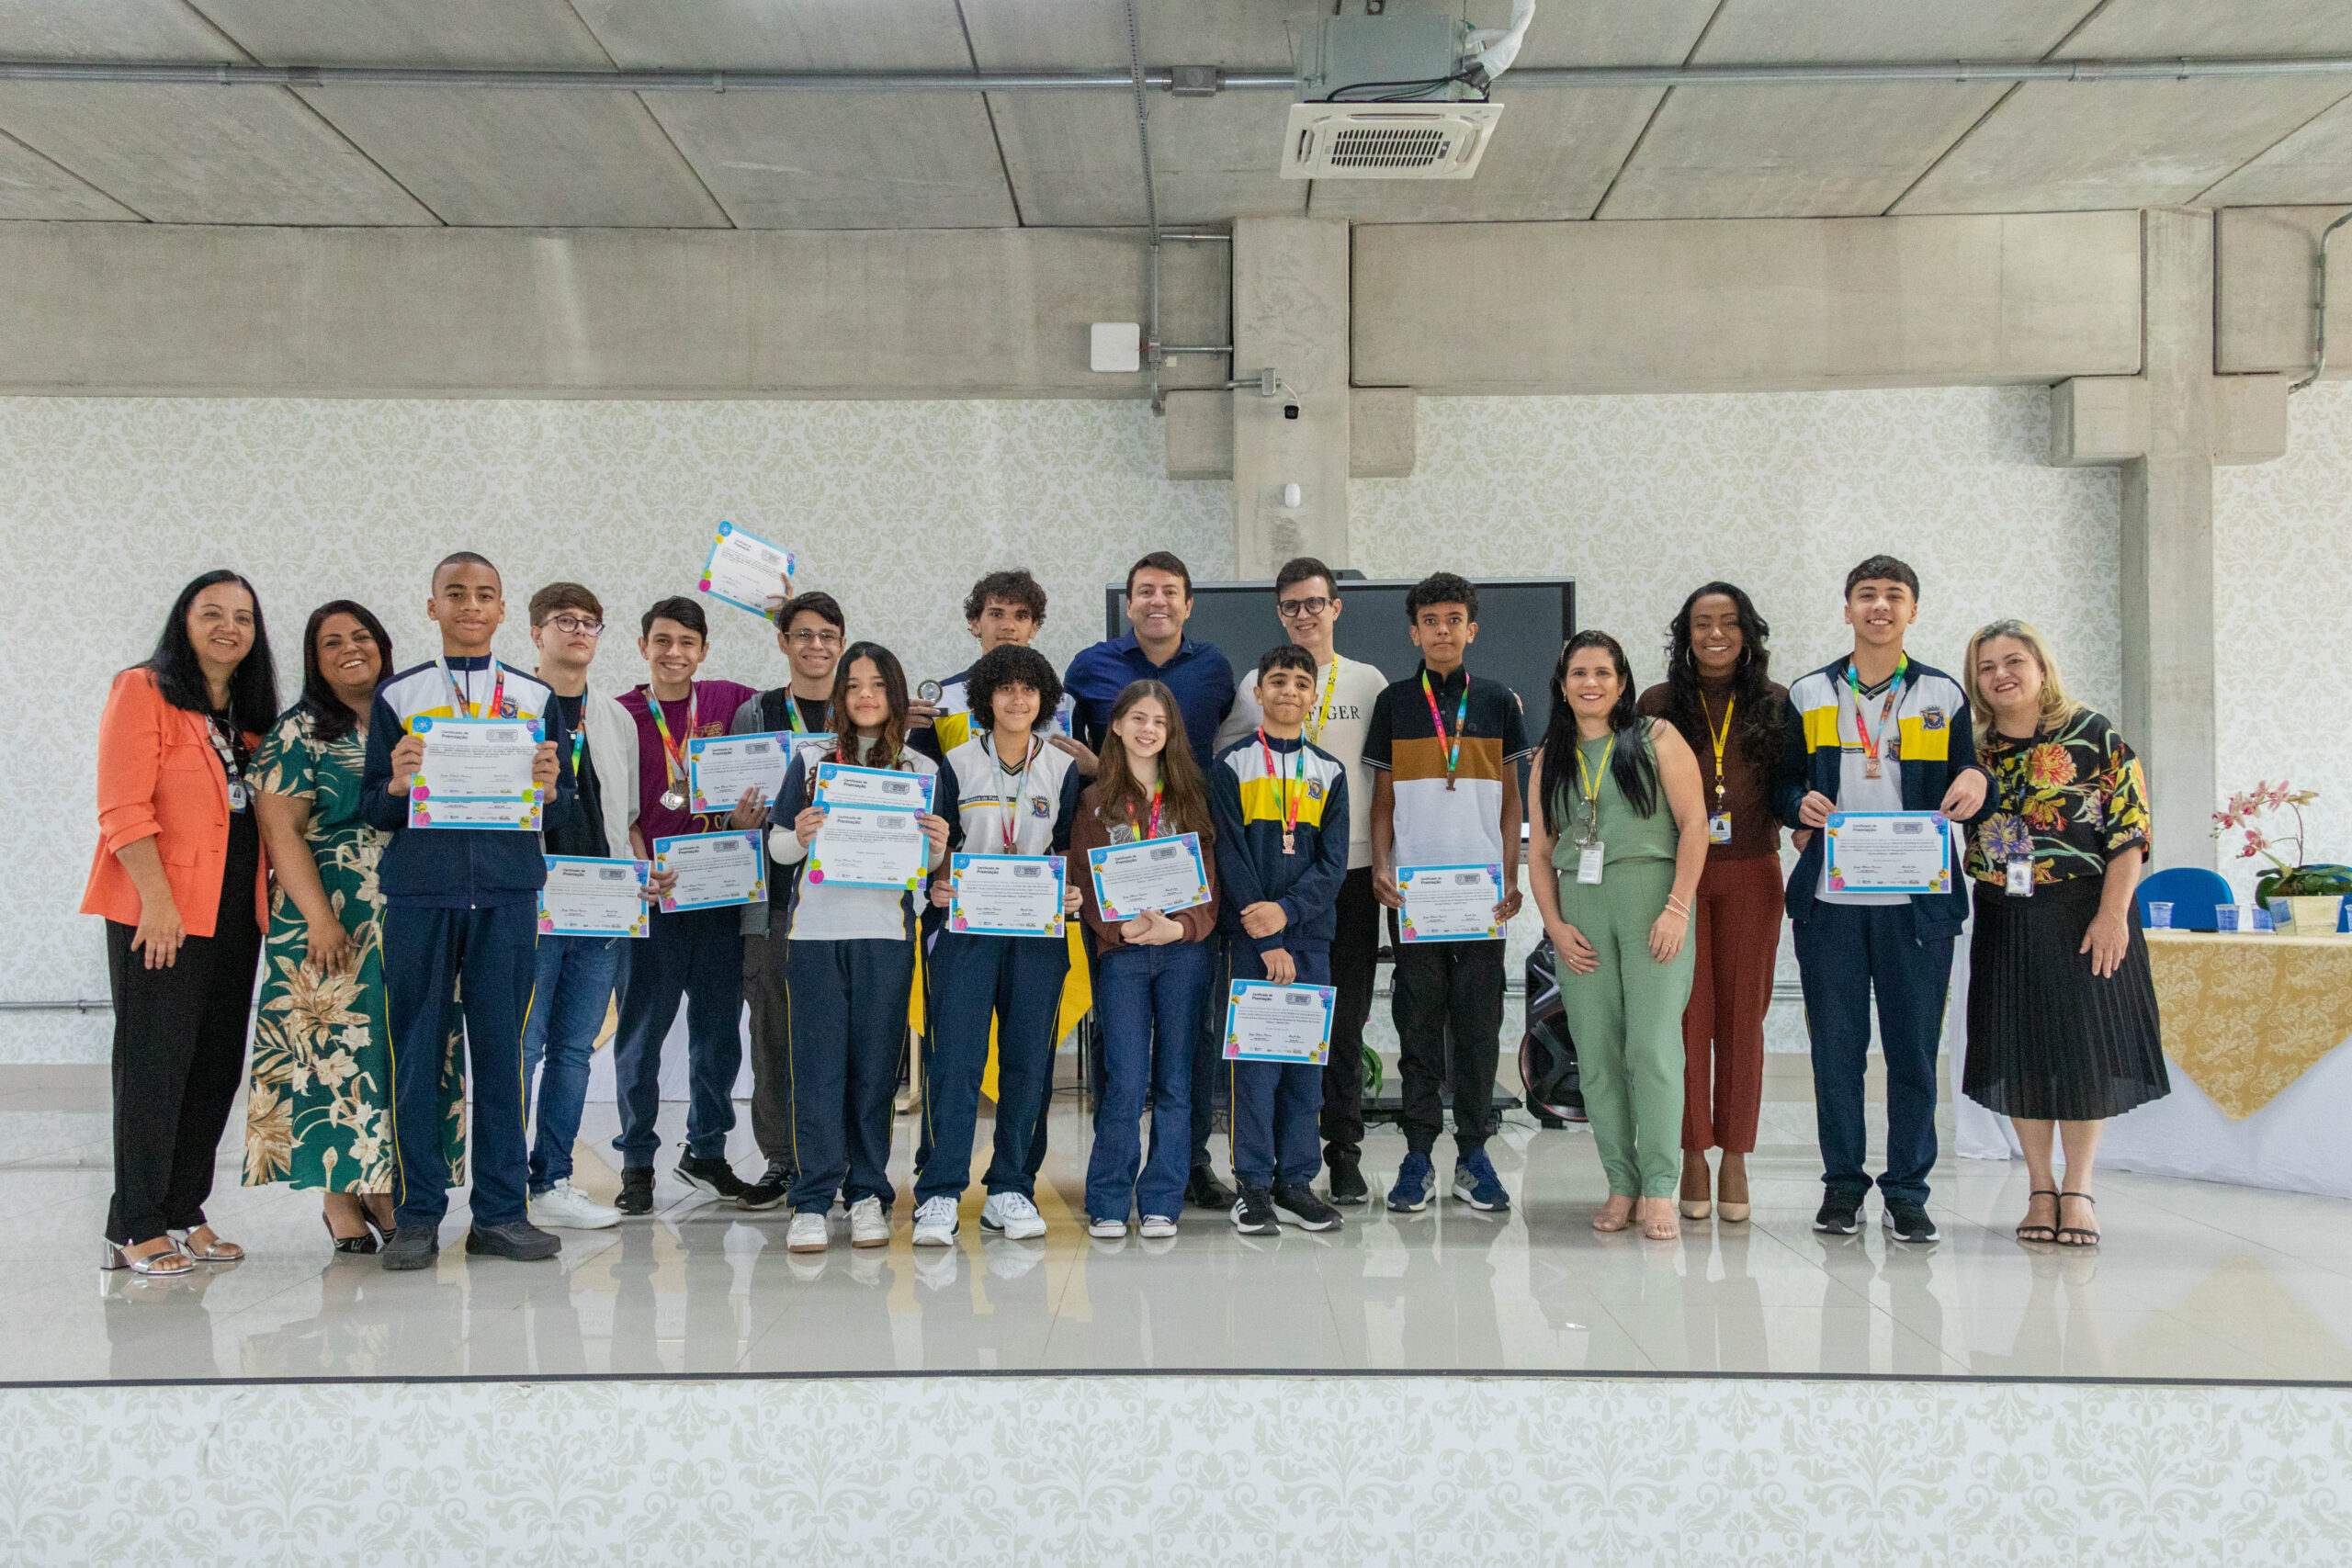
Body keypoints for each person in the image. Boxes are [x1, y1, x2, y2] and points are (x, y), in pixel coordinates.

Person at [361, 551, 568, 1270]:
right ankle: (419, 1216)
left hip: (508, 891)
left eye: (485, 595)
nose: (471, 606)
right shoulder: (401, 694)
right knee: (416, 1052)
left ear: (504, 610)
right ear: (433, 606)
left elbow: (561, 801)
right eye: (456, 594)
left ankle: (502, 1213)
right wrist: (395, 781)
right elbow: (371, 805)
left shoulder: (536, 697)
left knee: (503, 1055)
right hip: (421, 892)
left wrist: (548, 786)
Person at [1773, 555, 1988, 1245]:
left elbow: (1970, 774)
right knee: (1836, 1050)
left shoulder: (1943, 694)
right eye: (1866, 595)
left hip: (1918, 907)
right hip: (1831, 903)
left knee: (1912, 1053)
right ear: (1847, 609)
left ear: (1912, 611)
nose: (1879, 606)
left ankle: (1907, 1190)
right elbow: (1779, 785)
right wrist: (1793, 804)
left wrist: (1977, 781)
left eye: (1894, 596)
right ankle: (1842, 1188)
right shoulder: (1808, 693)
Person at [86, 570, 277, 1275]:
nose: (230, 626)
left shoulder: (247, 716)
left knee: (213, 1068)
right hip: (160, 913)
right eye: (212, 613)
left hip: (234, 918)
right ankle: (132, 1223)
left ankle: (182, 1209)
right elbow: (122, 807)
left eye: (244, 617)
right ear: (183, 620)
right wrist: (158, 904)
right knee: (154, 1067)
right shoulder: (143, 689)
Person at [1960, 619, 2164, 1250]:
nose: (2002, 674)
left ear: (2042, 668)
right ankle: (2039, 1186)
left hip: (2085, 910)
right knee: (2020, 1049)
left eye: (2014, 660)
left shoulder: (2093, 734)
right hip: (2006, 909)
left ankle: (2078, 1187)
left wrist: (2112, 913)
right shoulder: (1973, 749)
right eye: (1988, 666)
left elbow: (2131, 831)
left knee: (2083, 1052)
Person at [243, 600, 427, 1254]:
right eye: (331, 642)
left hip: (406, 913)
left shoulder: (410, 718)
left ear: (383, 644)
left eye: (362, 636)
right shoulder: (300, 732)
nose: (351, 649)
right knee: (331, 1058)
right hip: (327, 917)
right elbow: (280, 829)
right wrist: (321, 918)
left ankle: (379, 1186)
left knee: (385, 1055)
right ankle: (337, 1198)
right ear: (314, 660)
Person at [1065, 551, 1238, 1206]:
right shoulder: (1090, 666)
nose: (1157, 600)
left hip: (1183, 926)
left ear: (1188, 603)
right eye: (1145, 591)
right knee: (1122, 1064)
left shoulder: (1215, 669)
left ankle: (1182, 1171)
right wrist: (1118, 927)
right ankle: (1111, 1188)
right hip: (1121, 933)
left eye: (1170, 591)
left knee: (1186, 1061)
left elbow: (1211, 865)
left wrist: (1183, 923)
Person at [1213, 558, 1386, 1204]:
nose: (1305, 612)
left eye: (1316, 602)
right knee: (1258, 1048)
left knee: (1329, 1038)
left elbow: (1374, 797)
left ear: (1335, 607)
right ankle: (1257, 1176)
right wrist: (1263, 914)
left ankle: (1324, 1162)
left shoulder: (1369, 684)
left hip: (1335, 893)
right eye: (1292, 604)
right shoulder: (1240, 737)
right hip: (1256, 908)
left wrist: (1288, 912)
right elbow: (1228, 829)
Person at [766, 643, 951, 1252]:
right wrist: (800, 832)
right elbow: (776, 850)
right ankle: (813, 1198)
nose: (865, 694)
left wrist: (940, 844)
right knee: (817, 1072)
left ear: (896, 695)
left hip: (887, 936)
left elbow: (929, 867)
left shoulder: (923, 770)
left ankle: (868, 1192)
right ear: (841, 695)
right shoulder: (812, 758)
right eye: (854, 685)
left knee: (875, 1074)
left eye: (877, 684)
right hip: (816, 933)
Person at [1532, 633, 1710, 1241]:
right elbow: (1538, 850)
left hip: (1651, 898)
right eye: (1578, 672)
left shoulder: (1656, 737)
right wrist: (1555, 926)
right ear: (1562, 684)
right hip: (1580, 910)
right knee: (1598, 1055)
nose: (1591, 682)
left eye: (1603, 672)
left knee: (1653, 1049)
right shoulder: (1548, 755)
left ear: (1622, 681)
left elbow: (1695, 825)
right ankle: (1621, 1181)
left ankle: (1661, 1186)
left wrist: (1677, 908)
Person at [1365, 571, 1529, 1214]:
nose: (1442, 629)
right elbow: (1382, 801)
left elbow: (1513, 796)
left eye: (1454, 618)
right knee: (1419, 1024)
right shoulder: (1396, 703)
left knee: (1479, 1026)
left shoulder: (1495, 702)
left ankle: (1474, 1153)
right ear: (1414, 630)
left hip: (1482, 896)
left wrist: (1512, 875)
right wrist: (1380, 867)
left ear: (1472, 628)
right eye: (1430, 619)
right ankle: (1416, 1152)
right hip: (1414, 897)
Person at [911, 644, 1085, 1247]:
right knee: (954, 1060)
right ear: (987, 698)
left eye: (1028, 690)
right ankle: (938, 1190)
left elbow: (1068, 849)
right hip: (966, 933)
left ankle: (1011, 1185)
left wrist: (1071, 892)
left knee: (1027, 1065)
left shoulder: (1061, 767)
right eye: (1005, 689)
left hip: (1038, 934)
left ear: (1043, 700)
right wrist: (937, 880)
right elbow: (939, 849)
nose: (1017, 699)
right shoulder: (955, 763)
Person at [1637, 582, 1799, 1224]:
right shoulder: (1655, 703)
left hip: (1753, 873)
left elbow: (1790, 788)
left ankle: (1735, 1153)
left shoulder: (1777, 703)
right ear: (1685, 631)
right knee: (1684, 1021)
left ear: (1747, 631)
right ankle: (1693, 1151)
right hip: (1677, 880)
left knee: (1741, 1022)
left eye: (1728, 622)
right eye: (1702, 622)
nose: (1715, 633)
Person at [611, 595, 765, 1214]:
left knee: (718, 1034)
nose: (674, 653)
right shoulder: (620, 714)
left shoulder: (733, 701)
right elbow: (615, 804)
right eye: (662, 641)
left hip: (723, 897)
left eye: (686, 643)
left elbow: (796, 727)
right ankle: (636, 1161)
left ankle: (706, 1150)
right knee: (641, 1036)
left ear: (704, 649)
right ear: (643, 645)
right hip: (656, 896)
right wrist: (637, 862)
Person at [1069, 680, 1220, 1238]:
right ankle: (1109, 1200)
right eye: (1137, 717)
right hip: (1124, 956)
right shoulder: (1093, 801)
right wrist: (1123, 929)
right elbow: (1083, 877)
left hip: (1183, 954)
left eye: (1159, 720)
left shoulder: (1191, 796)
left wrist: (1177, 926)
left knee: (1177, 1081)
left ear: (1171, 731)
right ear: (1116, 725)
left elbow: (1209, 880)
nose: (1147, 729)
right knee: (1126, 1080)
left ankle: (1162, 1199)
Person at [518, 583, 647, 1233]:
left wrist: (641, 876)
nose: (577, 631)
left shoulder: (614, 716)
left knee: (573, 1050)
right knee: (522, 1045)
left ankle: (554, 1179)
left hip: (601, 906)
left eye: (589, 622)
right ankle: (504, 1182)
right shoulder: (512, 707)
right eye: (563, 621)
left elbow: (624, 818)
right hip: (531, 903)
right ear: (536, 632)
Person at [1210, 647, 1350, 1235]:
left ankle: (1296, 1180)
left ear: (1313, 695)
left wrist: (1289, 916)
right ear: (1258, 694)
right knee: (1257, 1067)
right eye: (1277, 681)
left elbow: (1334, 864)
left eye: (1300, 682)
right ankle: (1254, 1186)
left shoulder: (1330, 772)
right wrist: (1264, 933)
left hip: (1311, 939)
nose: (1289, 691)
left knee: (1303, 1068)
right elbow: (1230, 855)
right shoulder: (1232, 765)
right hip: (1251, 941)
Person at [729, 589, 847, 1212]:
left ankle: (845, 1156)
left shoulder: (860, 710)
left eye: (828, 634)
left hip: (848, 900)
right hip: (774, 901)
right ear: (783, 642)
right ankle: (781, 1157)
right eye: (803, 634)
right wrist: (738, 817)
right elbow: (732, 802)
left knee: (841, 1036)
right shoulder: (759, 711)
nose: (816, 645)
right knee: (773, 1033)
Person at [910, 569, 1060, 762]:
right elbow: (921, 778)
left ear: (1034, 627)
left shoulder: (1061, 701)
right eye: (996, 614)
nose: (1008, 626)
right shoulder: (941, 701)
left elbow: (1075, 780)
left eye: (1021, 616)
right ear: (975, 624)